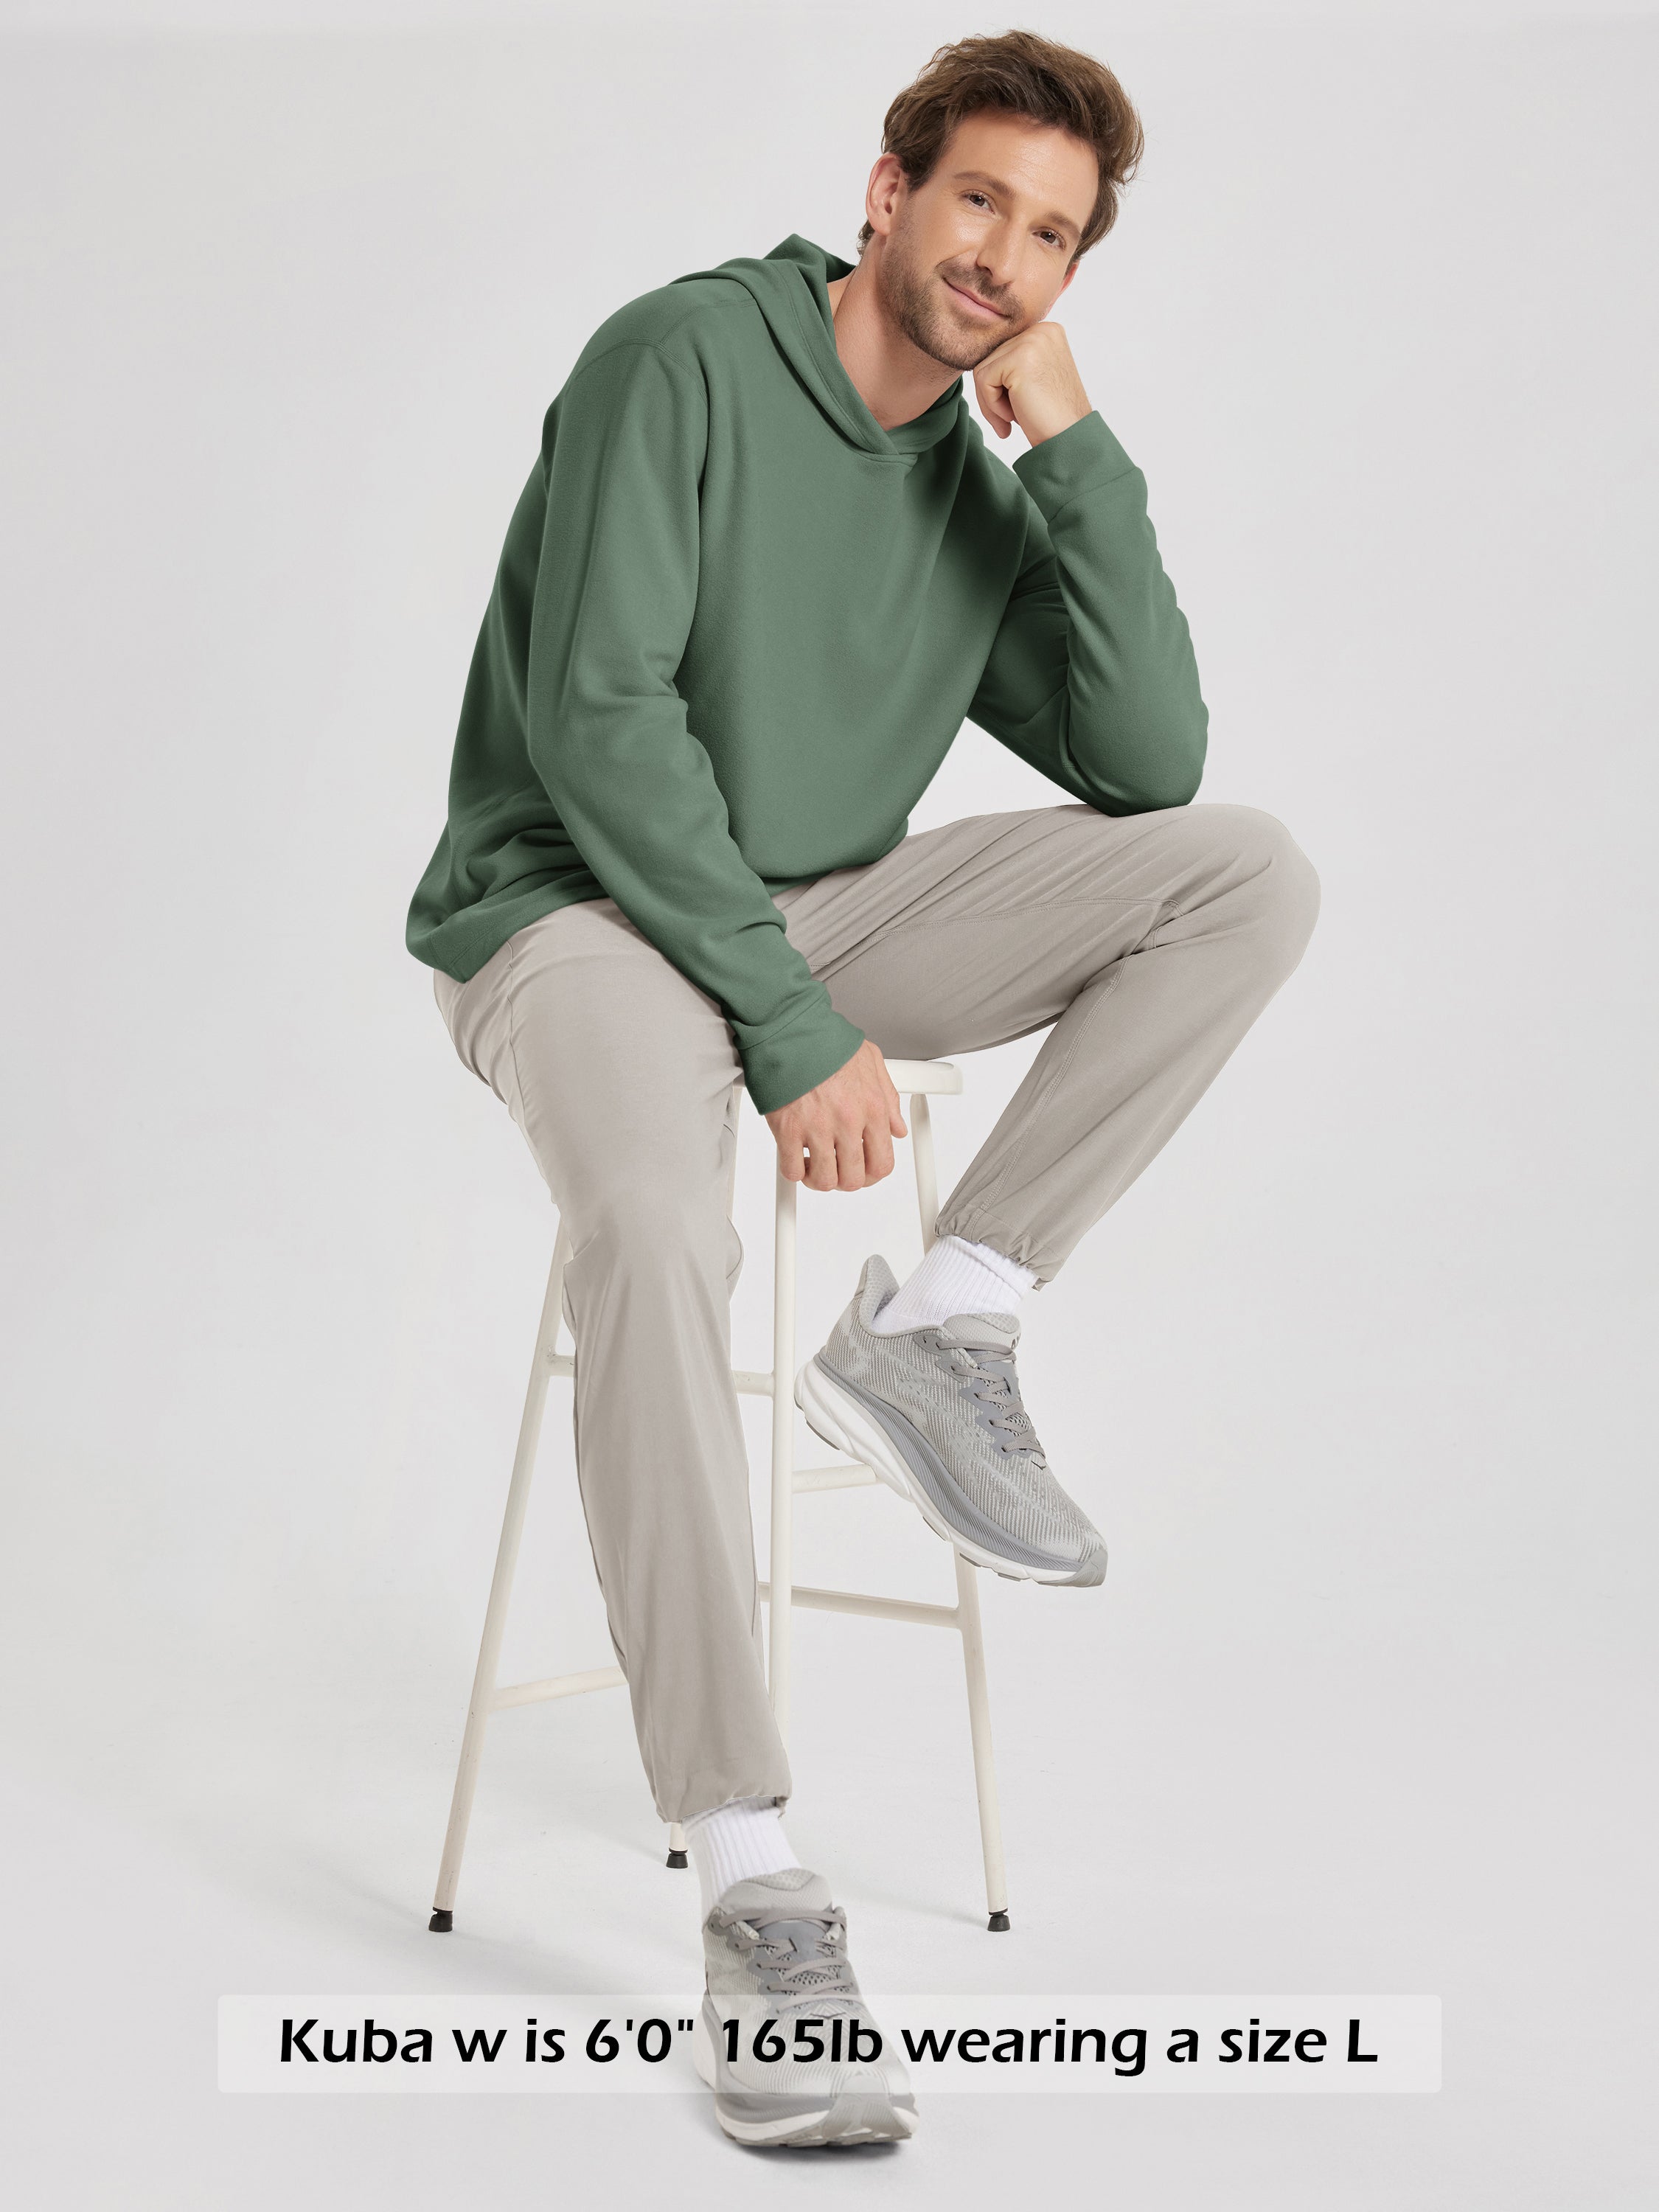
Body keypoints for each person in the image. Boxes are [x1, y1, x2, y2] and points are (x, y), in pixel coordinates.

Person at [406, 28, 1320, 2148]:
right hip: (574, 906)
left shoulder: (972, 484)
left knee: (1244, 876)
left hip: (818, 908)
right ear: (892, 189)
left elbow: (1147, 761)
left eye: (1053, 238)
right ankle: (752, 1878)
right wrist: (791, 1028)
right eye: (981, 198)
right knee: (655, 1231)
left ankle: (947, 1326)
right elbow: (601, 717)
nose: (1004, 257)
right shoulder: (680, 357)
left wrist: (1074, 451)